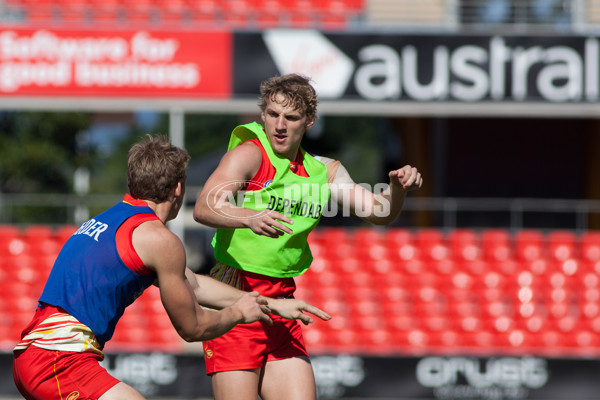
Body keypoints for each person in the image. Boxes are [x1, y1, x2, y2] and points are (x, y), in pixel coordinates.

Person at [12, 134, 331, 400]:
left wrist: (271, 304)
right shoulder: (157, 238)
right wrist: (239, 314)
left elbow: (195, 284)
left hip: (37, 356)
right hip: (57, 362)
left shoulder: (109, 218)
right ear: (178, 189)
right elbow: (192, 329)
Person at [193, 73, 423, 400]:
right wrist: (248, 216)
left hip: (282, 305)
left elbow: (380, 212)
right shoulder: (249, 154)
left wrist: (397, 190)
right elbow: (204, 207)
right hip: (236, 298)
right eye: (273, 114)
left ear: (310, 121)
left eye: (292, 117)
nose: (280, 125)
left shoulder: (323, 171)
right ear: (263, 115)